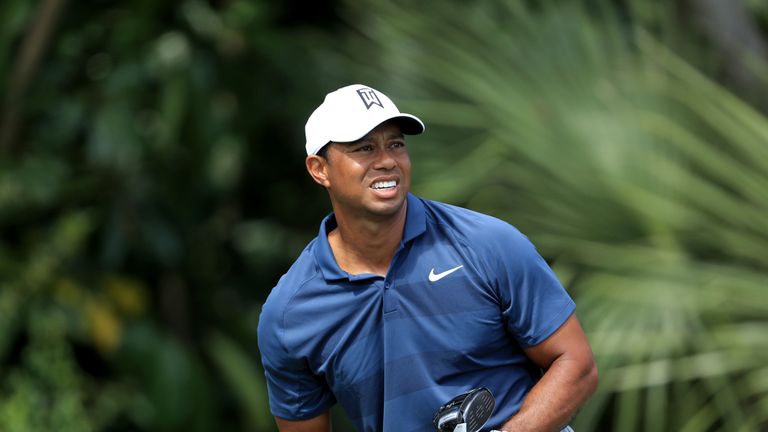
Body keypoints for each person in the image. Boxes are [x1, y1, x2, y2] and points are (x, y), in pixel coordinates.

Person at [257, 84, 598, 432]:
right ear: (320, 169)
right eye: (365, 148)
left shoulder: (488, 244)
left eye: (396, 144)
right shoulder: (289, 315)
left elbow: (576, 363)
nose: (387, 160)